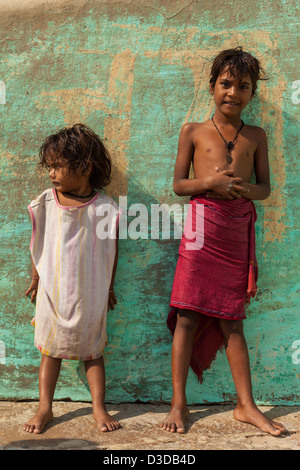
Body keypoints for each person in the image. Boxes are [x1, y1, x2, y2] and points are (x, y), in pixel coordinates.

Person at [161, 47, 285, 436]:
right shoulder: (193, 131)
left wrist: (242, 188)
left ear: (252, 94)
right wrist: (212, 183)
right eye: (226, 84)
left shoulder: (256, 135)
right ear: (212, 86)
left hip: (234, 234)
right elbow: (179, 185)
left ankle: (245, 405)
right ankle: (179, 403)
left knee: (233, 322)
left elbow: (265, 189)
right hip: (201, 232)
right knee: (186, 315)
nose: (233, 92)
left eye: (243, 87)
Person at [24, 123, 120, 433]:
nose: (51, 173)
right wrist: (37, 278)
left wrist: (109, 286)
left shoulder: (105, 208)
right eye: (49, 167)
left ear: (85, 166)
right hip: (52, 292)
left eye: (57, 166)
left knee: (93, 353)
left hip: (90, 295)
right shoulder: (48, 202)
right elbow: (39, 241)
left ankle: (99, 408)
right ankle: (45, 407)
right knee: (50, 352)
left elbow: (111, 251)